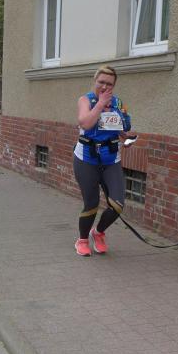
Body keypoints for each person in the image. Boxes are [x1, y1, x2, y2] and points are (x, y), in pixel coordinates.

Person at [73, 65, 134, 257]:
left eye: (109, 84)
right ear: (95, 81)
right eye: (101, 82)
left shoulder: (118, 103)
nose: (105, 86)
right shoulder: (85, 100)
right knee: (91, 203)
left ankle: (98, 232)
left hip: (111, 159)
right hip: (86, 159)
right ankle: (82, 240)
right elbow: (85, 123)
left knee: (117, 204)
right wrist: (100, 104)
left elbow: (119, 127)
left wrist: (126, 137)